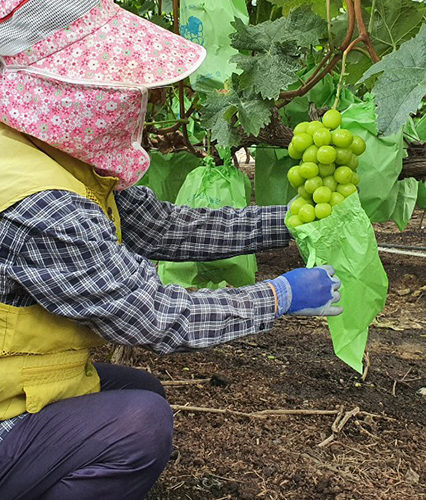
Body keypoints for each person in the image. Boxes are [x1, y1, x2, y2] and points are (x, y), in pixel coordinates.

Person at [0, 1, 343, 499]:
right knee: (140, 424)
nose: (134, 101)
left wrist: (288, 222)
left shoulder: (38, 152)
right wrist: (279, 297)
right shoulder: (42, 204)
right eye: (117, 88)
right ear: (64, 92)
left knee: (141, 390)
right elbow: (153, 317)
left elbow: (163, 229)